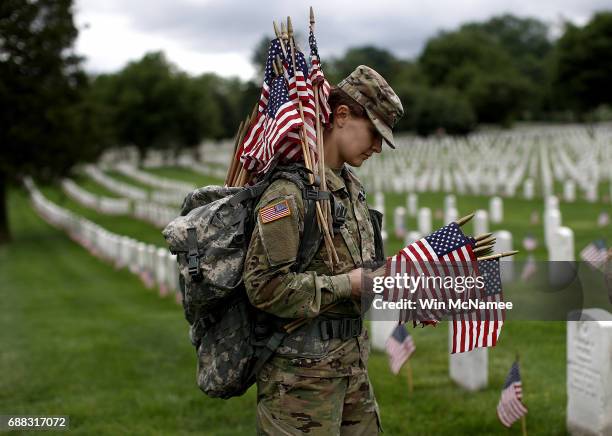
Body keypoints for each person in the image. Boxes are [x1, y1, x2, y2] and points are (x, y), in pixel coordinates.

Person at [243, 65, 404, 435]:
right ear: (342, 116)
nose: (378, 147)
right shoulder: (288, 195)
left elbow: (360, 270)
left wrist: (394, 279)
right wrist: (348, 285)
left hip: (352, 370)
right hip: (300, 382)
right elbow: (264, 286)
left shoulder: (351, 188)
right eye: (374, 133)